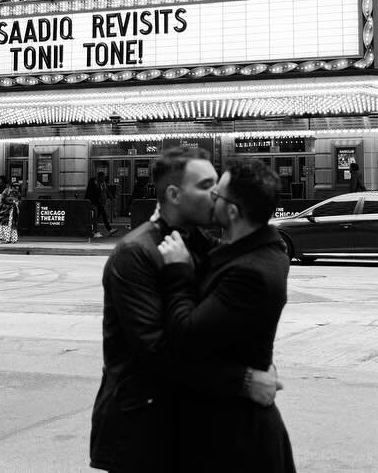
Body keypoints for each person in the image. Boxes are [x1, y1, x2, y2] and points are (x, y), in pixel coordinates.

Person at [89, 149, 277, 473]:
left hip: (183, 423)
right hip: (142, 429)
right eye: (206, 186)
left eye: (218, 184)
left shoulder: (198, 243)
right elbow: (156, 350)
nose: (217, 193)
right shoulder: (135, 254)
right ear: (174, 194)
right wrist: (243, 380)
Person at [158, 159, 296, 472]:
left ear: (232, 211)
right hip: (226, 424)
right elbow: (217, 254)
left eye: (216, 193)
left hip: (236, 438)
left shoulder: (251, 272)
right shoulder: (253, 250)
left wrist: (178, 271)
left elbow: (185, 334)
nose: (211, 199)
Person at [87, 170, 115, 239]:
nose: (104, 179)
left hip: (97, 202)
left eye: (104, 178)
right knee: (94, 217)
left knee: (100, 215)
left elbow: (106, 190)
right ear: (99, 177)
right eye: (103, 178)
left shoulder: (102, 183)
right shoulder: (93, 181)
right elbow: (91, 192)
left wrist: (111, 197)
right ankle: (95, 232)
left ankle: (107, 229)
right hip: (91, 202)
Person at [0, 180, 21, 245]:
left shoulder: (17, 192)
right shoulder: (6, 191)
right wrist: (12, 201)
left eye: (17, 187)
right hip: (6, 210)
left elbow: (19, 199)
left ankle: (12, 238)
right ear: (12, 187)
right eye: (15, 187)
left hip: (13, 210)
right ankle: (4, 238)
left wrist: (17, 202)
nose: (17, 188)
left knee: (12, 224)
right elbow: (3, 199)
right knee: (4, 224)